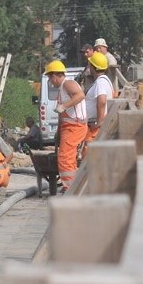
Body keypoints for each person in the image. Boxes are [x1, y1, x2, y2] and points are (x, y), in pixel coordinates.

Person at [45, 60, 88, 192]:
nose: (51, 82)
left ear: (54, 75)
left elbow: (80, 95)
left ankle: (70, 188)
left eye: (50, 78)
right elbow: (61, 114)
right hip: (69, 126)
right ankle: (71, 185)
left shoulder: (68, 84)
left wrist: (64, 106)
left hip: (74, 126)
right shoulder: (62, 88)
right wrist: (58, 131)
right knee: (68, 157)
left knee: (65, 157)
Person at [82, 52, 115, 155]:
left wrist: (98, 123)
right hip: (97, 124)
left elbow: (102, 100)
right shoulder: (106, 81)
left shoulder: (100, 83)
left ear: (93, 67)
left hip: (95, 127)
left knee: (89, 156)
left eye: (90, 65)